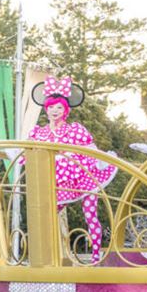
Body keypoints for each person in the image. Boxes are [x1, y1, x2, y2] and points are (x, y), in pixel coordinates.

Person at [24, 76, 117, 263]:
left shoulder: (75, 130)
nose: (54, 111)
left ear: (65, 111)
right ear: (46, 109)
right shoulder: (39, 133)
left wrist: (100, 162)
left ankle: (96, 255)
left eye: (59, 107)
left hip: (83, 178)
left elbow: (91, 150)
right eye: (51, 107)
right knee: (47, 214)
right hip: (58, 181)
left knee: (90, 214)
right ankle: (42, 257)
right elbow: (29, 153)